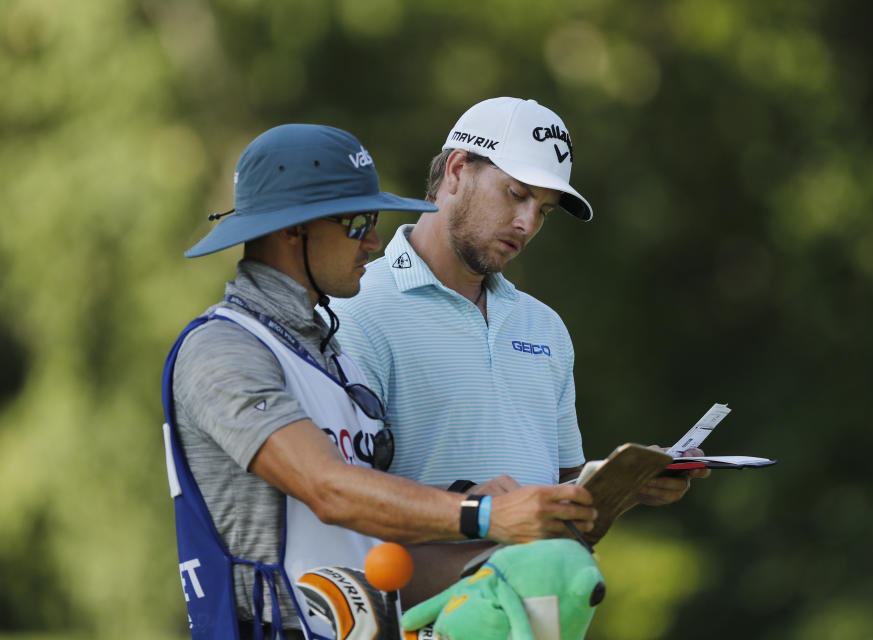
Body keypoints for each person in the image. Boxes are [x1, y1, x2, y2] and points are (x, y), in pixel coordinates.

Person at [160, 123, 597, 639]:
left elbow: (367, 531)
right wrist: (484, 514)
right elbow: (330, 490)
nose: (372, 241)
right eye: (356, 223)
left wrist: (497, 538)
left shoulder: (331, 354)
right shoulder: (222, 347)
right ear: (290, 230)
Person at [329, 98, 709, 595]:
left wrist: (625, 486)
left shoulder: (544, 327)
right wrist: (477, 514)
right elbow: (333, 502)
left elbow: (566, 501)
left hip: (537, 612)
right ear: (458, 170)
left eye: (543, 210)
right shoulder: (355, 310)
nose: (528, 224)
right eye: (516, 194)